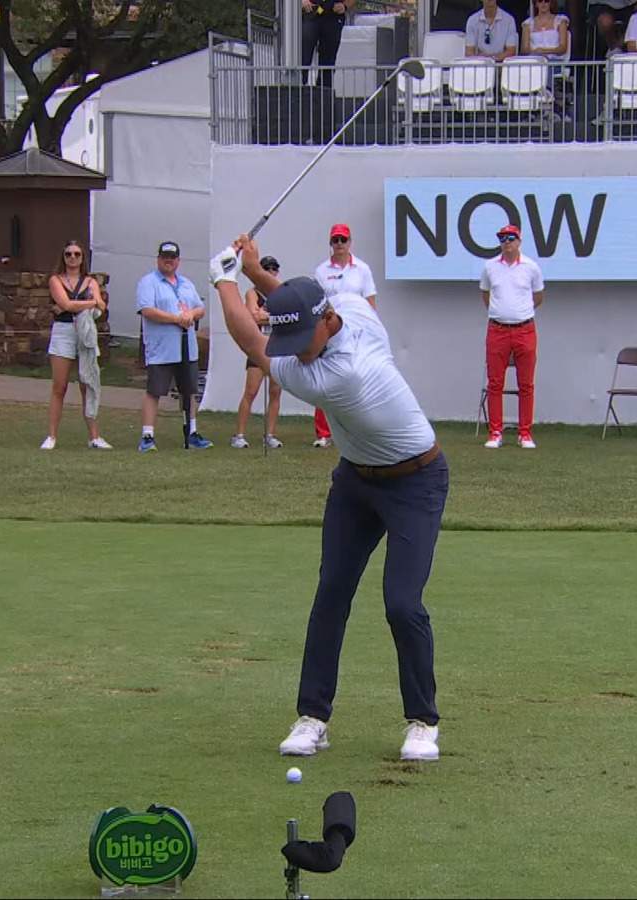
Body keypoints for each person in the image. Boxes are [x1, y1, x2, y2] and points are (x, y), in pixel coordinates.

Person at [207, 236, 447, 764]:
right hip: (356, 482)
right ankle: (313, 716)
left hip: (416, 482)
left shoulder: (337, 375)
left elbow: (252, 340)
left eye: (298, 336)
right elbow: (297, 298)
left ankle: (423, 722)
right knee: (331, 593)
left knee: (402, 603)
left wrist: (223, 280)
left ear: (324, 326)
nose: (291, 346)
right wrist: (252, 269)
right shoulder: (349, 311)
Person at [135, 241, 212, 453]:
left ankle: (192, 432)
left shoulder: (186, 283)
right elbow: (147, 310)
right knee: (154, 391)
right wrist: (176, 319)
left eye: (172, 258)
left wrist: (190, 315)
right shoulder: (148, 282)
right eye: (165, 257)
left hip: (187, 347)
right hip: (161, 349)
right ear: (158, 259)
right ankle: (147, 435)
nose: (169, 261)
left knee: (189, 391)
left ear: (178, 260)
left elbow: (200, 308)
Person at [310, 223, 378, 448]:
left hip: (356, 330)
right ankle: (323, 433)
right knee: (325, 378)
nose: (339, 244)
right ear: (330, 244)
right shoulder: (321, 271)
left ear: (350, 242)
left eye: (343, 240)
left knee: (357, 377)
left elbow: (370, 303)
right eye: (335, 240)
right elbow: (317, 303)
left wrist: (369, 329)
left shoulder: (362, 269)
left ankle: (356, 428)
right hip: (329, 330)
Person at [40, 240, 112, 451]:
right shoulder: (55, 280)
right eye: (68, 254)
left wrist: (88, 304)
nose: (72, 258)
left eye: (77, 254)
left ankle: (94, 437)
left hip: (85, 332)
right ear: (63, 257)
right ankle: (52, 436)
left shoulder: (90, 281)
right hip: (63, 332)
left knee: (87, 384)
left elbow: (101, 305)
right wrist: (89, 303)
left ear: (82, 258)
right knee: (59, 386)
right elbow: (67, 304)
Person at [479, 223, 544, 450]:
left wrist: (519, 313)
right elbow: (486, 295)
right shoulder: (490, 267)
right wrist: (501, 314)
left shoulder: (531, 268)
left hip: (524, 329)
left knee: (526, 383)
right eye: (502, 239)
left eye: (511, 239)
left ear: (519, 241)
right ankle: (495, 432)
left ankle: (524, 433)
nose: (506, 243)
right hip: (497, 329)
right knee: (495, 382)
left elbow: (538, 296)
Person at [231, 254, 286, 450]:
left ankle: (270, 434)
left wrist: (267, 316)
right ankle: (239, 434)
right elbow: (253, 316)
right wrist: (272, 317)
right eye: (267, 269)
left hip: (278, 347)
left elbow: (287, 317)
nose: (271, 272)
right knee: (251, 391)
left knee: (275, 392)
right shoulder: (253, 293)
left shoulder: (281, 293)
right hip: (259, 347)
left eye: (274, 269)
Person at [301, 0, 347, 90]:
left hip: (333, 14)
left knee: (328, 63)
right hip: (310, 11)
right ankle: (298, 95)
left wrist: (344, 6)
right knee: (303, 57)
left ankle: (324, 98)